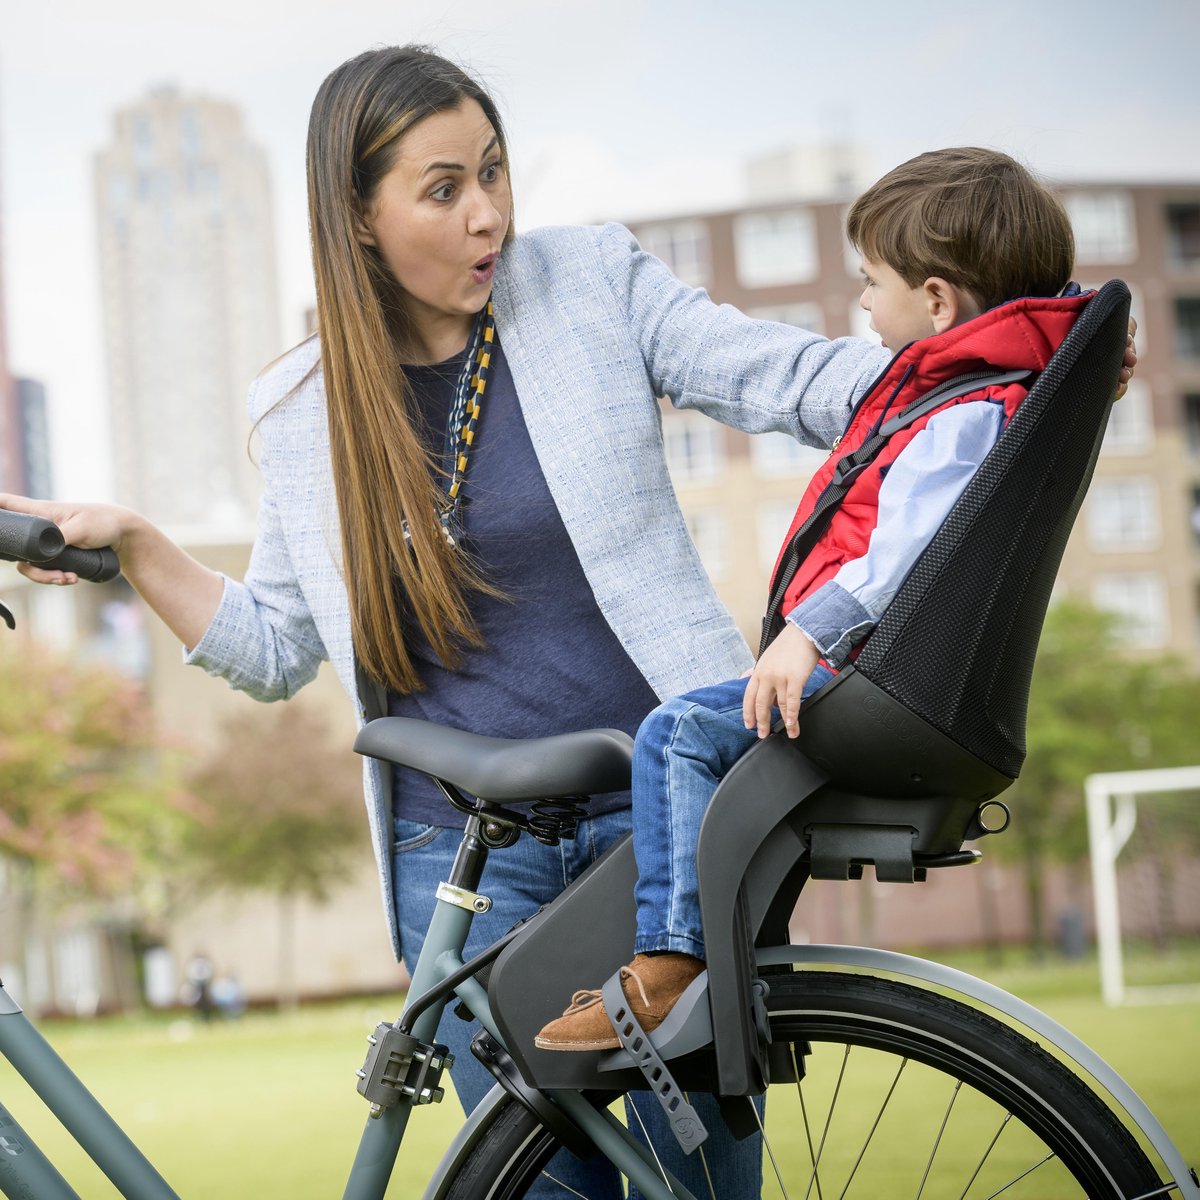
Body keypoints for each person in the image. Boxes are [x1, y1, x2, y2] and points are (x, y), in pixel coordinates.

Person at [0, 49, 1135, 1198]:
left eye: (492, 172)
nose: (488, 211)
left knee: (703, 1185)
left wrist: (1021, 350)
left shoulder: (590, 282)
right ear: (358, 218)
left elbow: (812, 381)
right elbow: (275, 646)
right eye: (443, 189)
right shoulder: (301, 413)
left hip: (664, 828)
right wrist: (142, 547)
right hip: (460, 859)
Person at [535, 147, 1099, 1052]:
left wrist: (807, 633)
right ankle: (719, 950)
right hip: (890, 682)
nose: (863, 306)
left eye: (872, 284)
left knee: (676, 733)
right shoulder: (979, 394)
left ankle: (669, 965)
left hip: (867, 678)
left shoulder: (961, 414)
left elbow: (905, 553)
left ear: (940, 300)